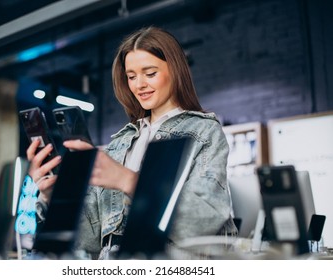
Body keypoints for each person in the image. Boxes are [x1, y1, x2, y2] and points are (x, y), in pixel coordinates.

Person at [26, 26, 238, 259]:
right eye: (131, 76)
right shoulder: (119, 144)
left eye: (150, 73)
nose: (139, 85)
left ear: (175, 71)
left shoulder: (203, 131)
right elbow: (89, 241)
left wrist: (128, 181)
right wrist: (52, 196)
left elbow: (204, 223)